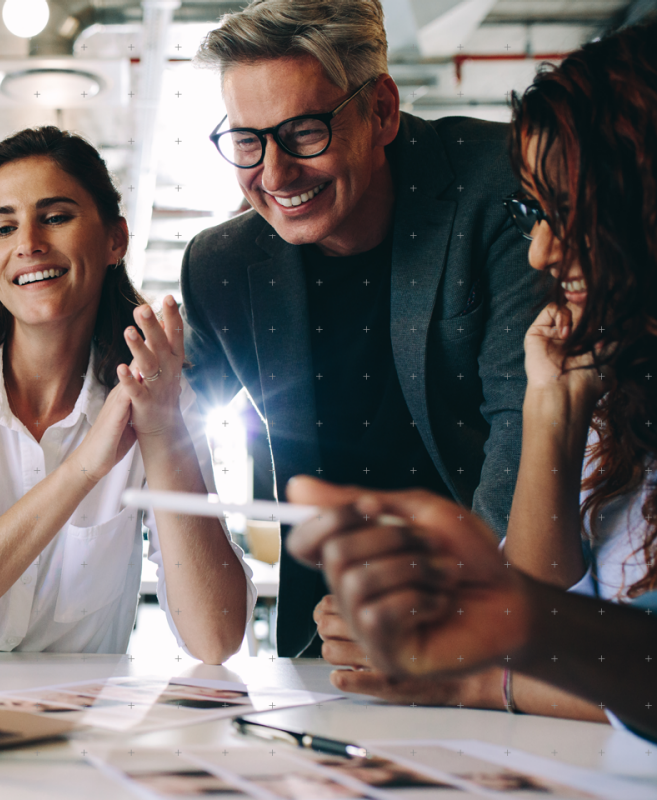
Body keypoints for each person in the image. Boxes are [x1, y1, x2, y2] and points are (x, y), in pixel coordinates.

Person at [292, 20, 657, 735]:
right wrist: (552, 411)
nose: (542, 253)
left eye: (571, 213)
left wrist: (480, 667)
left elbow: (566, 643)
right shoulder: (613, 380)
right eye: (537, 213)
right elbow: (569, 624)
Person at [181, 0, 546, 657]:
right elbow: (155, 411)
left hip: (493, 616)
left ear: (381, 110)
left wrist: (451, 614)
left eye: (303, 132)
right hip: (324, 633)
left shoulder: (497, 183)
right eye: (246, 140)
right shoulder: (221, 265)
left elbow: (526, 426)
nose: (273, 174)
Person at [0, 127, 256, 664]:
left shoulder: (157, 397)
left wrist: (161, 431)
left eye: (57, 217)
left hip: (74, 729)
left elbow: (216, 638)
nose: (28, 244)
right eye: (3, 227)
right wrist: (81, 471)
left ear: (115, 240)